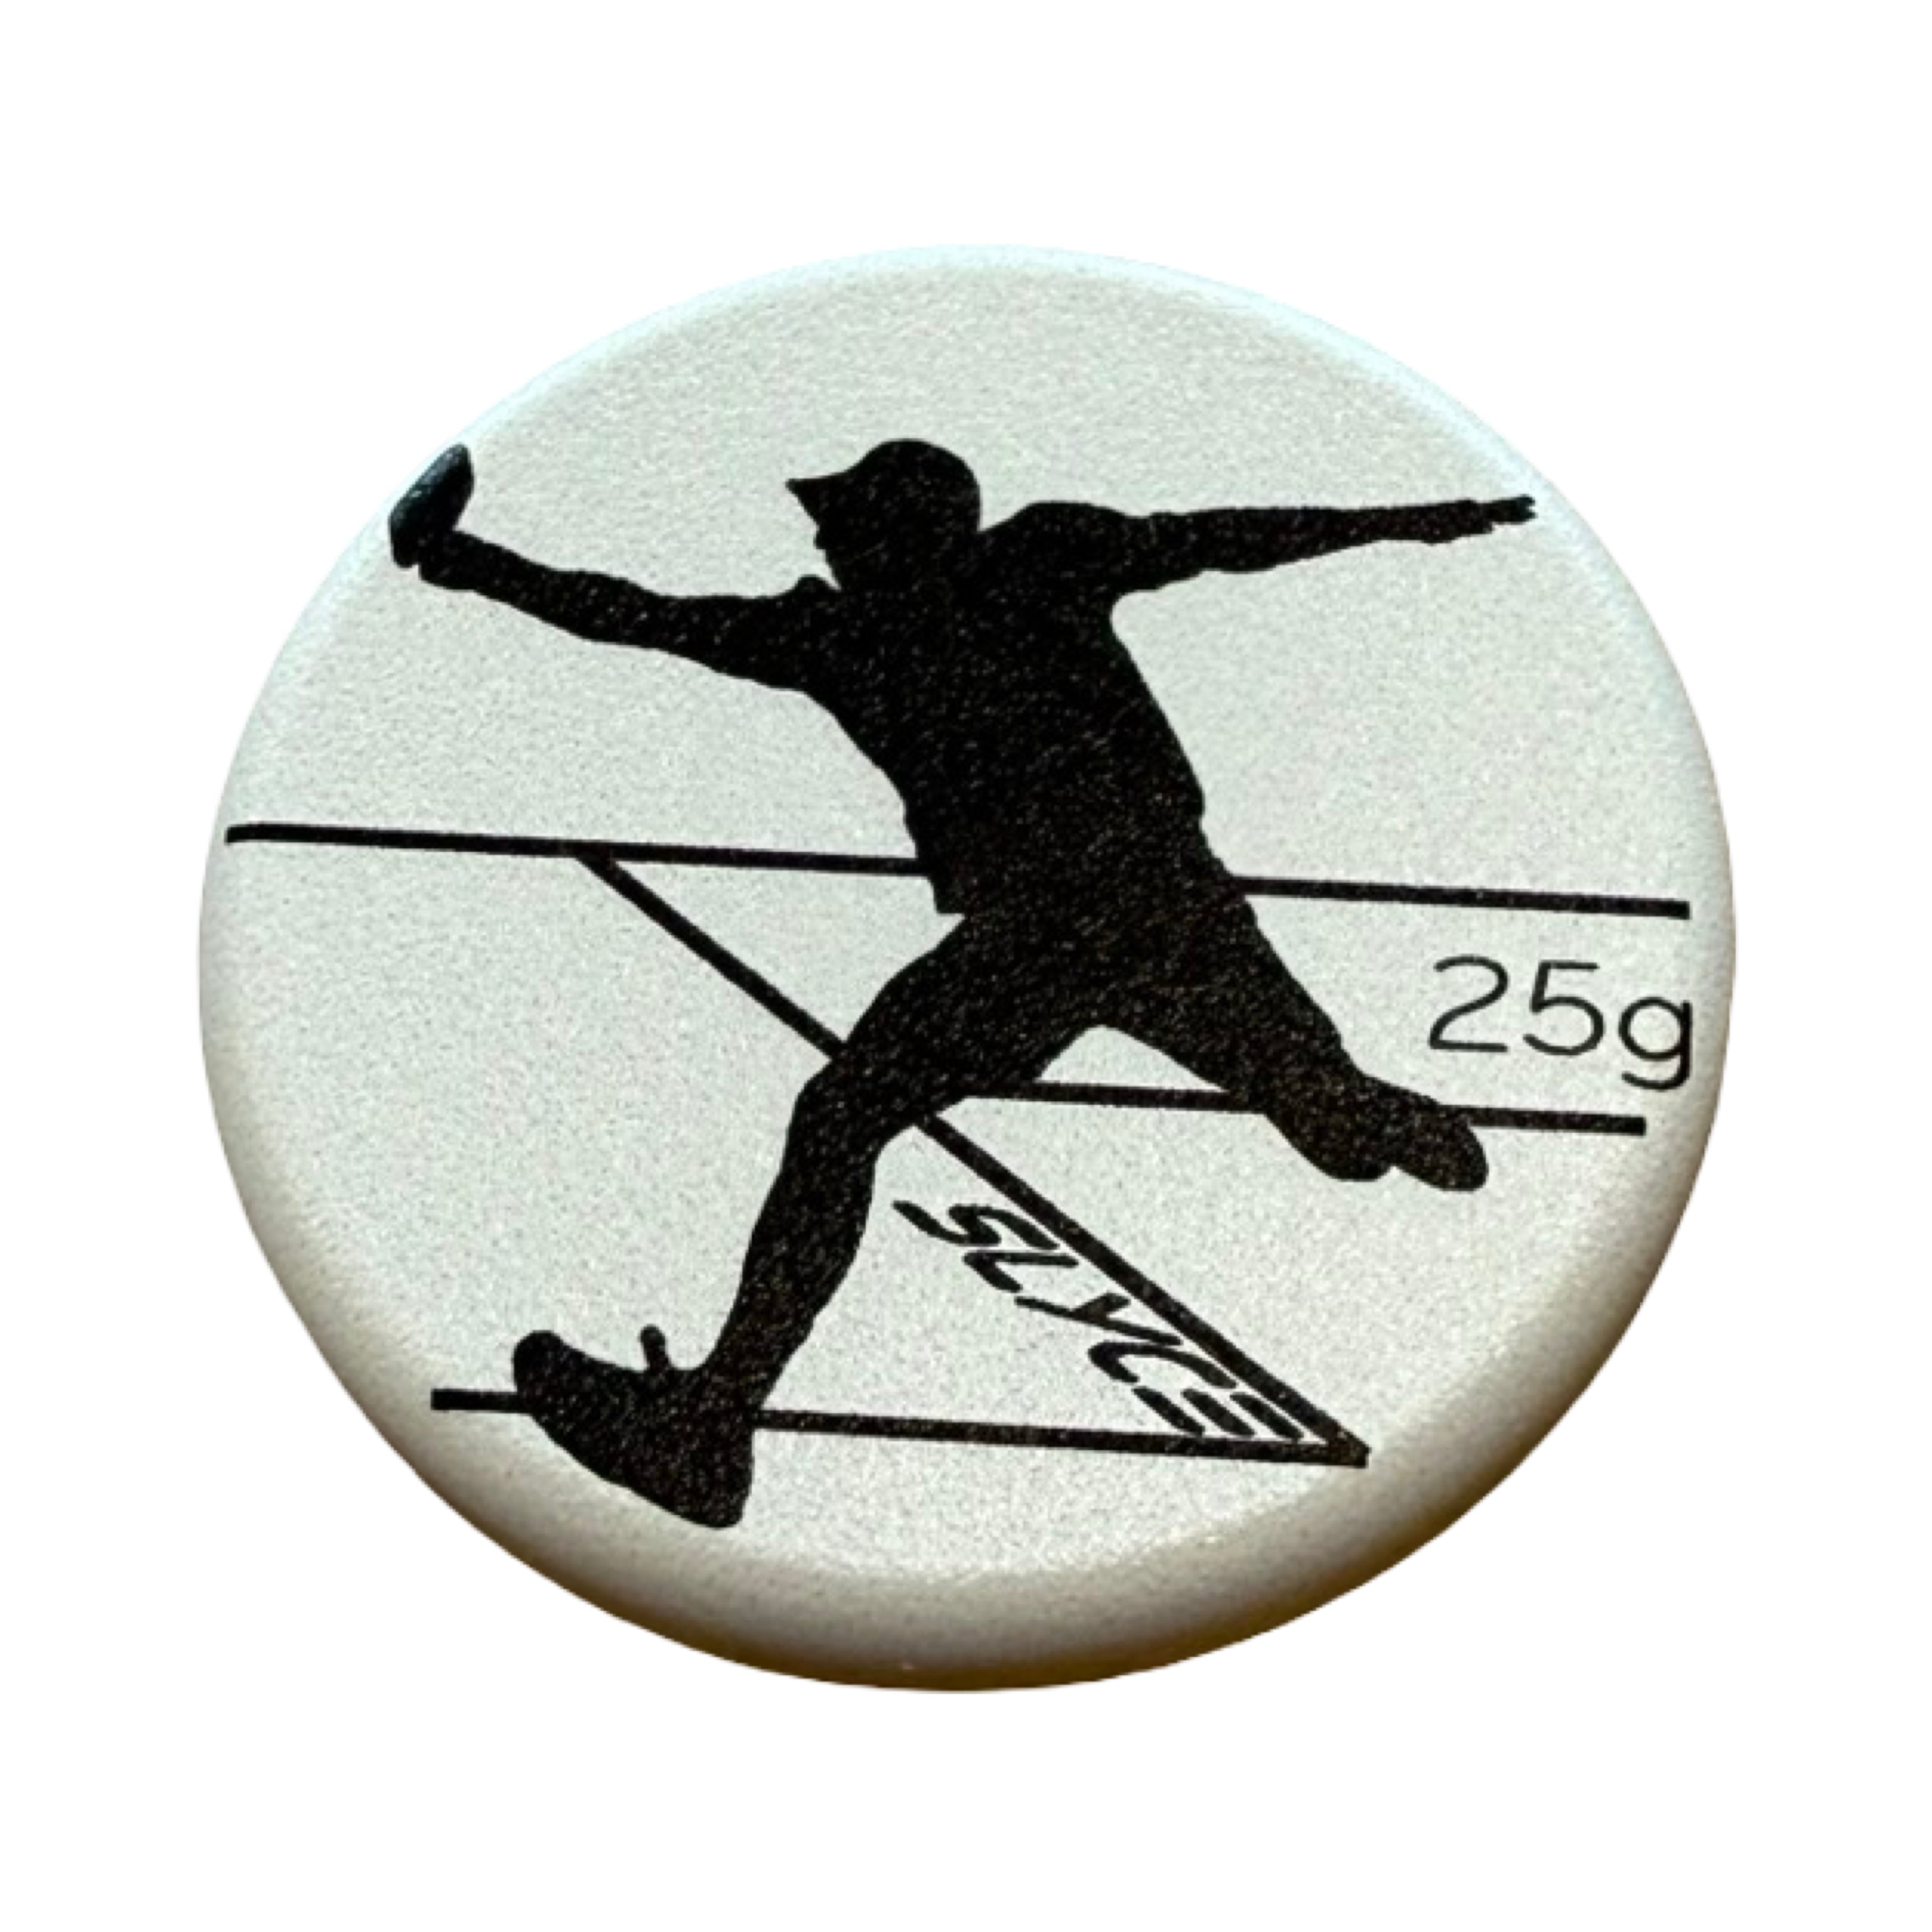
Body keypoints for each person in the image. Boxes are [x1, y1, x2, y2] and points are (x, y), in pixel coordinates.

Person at [391, 438, 1536, 1526]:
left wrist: (459, 559)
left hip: (1049, 935)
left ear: (899, 531)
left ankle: (712, 1422)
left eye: (844, 525)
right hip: (1158, 907)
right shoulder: (1014, 566)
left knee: (844, 1119)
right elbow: (1225, 537)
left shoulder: (871, 622)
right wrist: (1409, 521)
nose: (826, 544)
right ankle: (1363, 1112)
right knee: (1316, 1119)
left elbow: (633, 614)